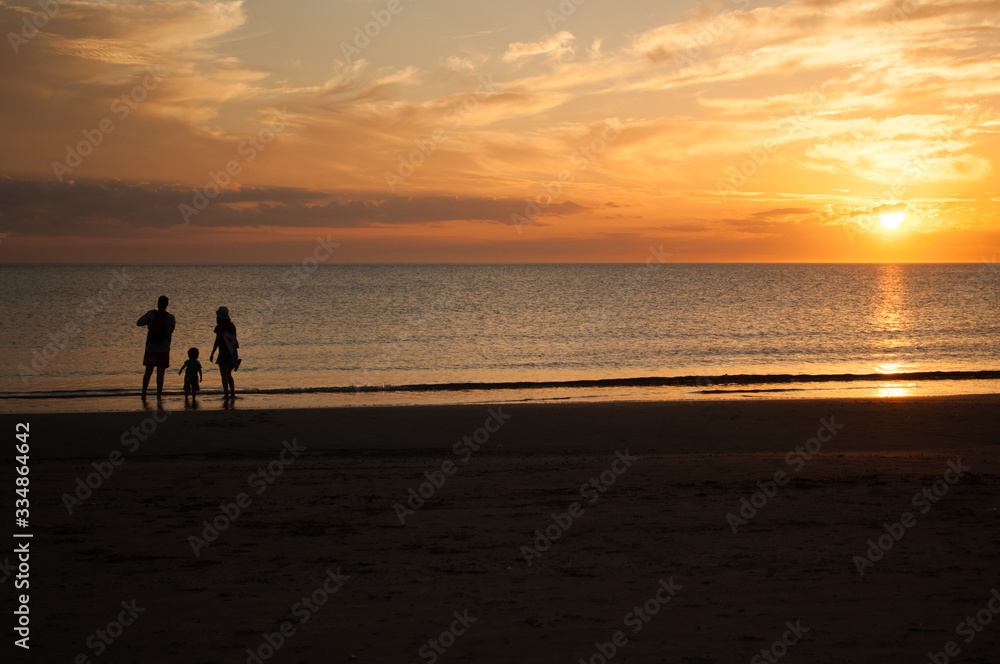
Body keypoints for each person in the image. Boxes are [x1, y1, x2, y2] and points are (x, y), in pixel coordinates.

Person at [137, 295, 176, 401]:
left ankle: (143, 394)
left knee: (148, 372)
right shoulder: (171, 317)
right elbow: (171, 330)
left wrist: (149, 313)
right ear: (167, 305)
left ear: (157, 303)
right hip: (164, 349)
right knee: (160, 373)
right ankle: (158, 395)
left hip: (151, 348)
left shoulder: (151, 315)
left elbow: (139, 323)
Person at [209, 306, 240, 399]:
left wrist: (212, 353)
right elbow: (234, 340)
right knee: (229, 374)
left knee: (223, 375)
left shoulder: (220, 326)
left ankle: (226, 394)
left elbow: (217, 341)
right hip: (233, 351)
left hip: (224, 351)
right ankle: (233, 393)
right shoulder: (232, 325)